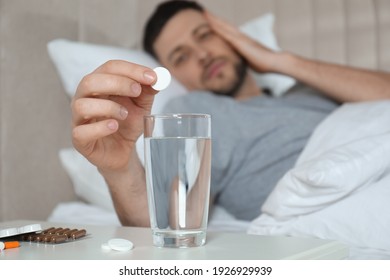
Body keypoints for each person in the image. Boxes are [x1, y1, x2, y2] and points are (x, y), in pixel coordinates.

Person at [71, 0, 390, 226]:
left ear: (228, 33)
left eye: (205, 35)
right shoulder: (197, 112)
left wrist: (279, 61)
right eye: (181, 57)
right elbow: (169, 221)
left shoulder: (307, 91)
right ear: (176, 76)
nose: (204, 55)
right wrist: (121, 168)